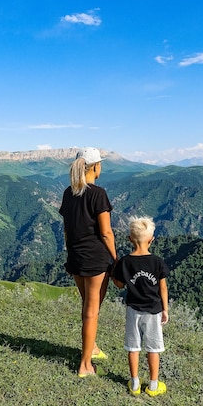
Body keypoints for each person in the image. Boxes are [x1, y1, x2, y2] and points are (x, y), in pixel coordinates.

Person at [59, 147, 118, 377]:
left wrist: (71, 251)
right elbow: (106, 233)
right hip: (95, 260)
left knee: (88, 307)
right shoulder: (98, 194)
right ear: (94, 167)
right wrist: (115, 259)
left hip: (76, 257)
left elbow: (67, 230)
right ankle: (85, 365)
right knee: (91, 311)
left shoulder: (68, 193)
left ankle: (91, 347)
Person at [112, 215, 169, 396]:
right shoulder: (157, 262)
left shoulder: (125, 262)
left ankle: (135, 383)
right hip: (153, 312)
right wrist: (165, 309)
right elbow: (163, 288)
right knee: (153, 348)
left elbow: (120, 285)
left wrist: (113, 273)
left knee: (133, 347)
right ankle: (153, 385)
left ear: (129, 240)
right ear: (152, 240)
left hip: (133, 310)